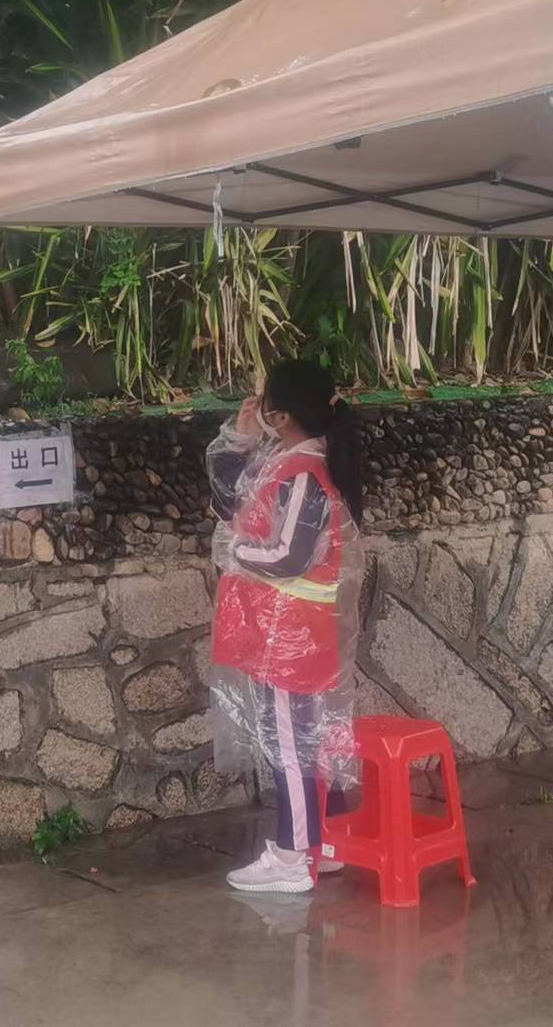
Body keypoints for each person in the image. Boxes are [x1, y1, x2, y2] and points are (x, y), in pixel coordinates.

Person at [207, 359, 365, 895]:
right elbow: (232, 499)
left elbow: (289, 554)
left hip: (289, 635)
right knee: (305, 741)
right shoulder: (293, 460)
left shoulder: (303, 473)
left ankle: (293, 856)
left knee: (291, 746)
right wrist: (242, 442)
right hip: (290, 629)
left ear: (280, 414)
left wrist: (235, 550)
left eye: (263, 401)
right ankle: (323, 844)